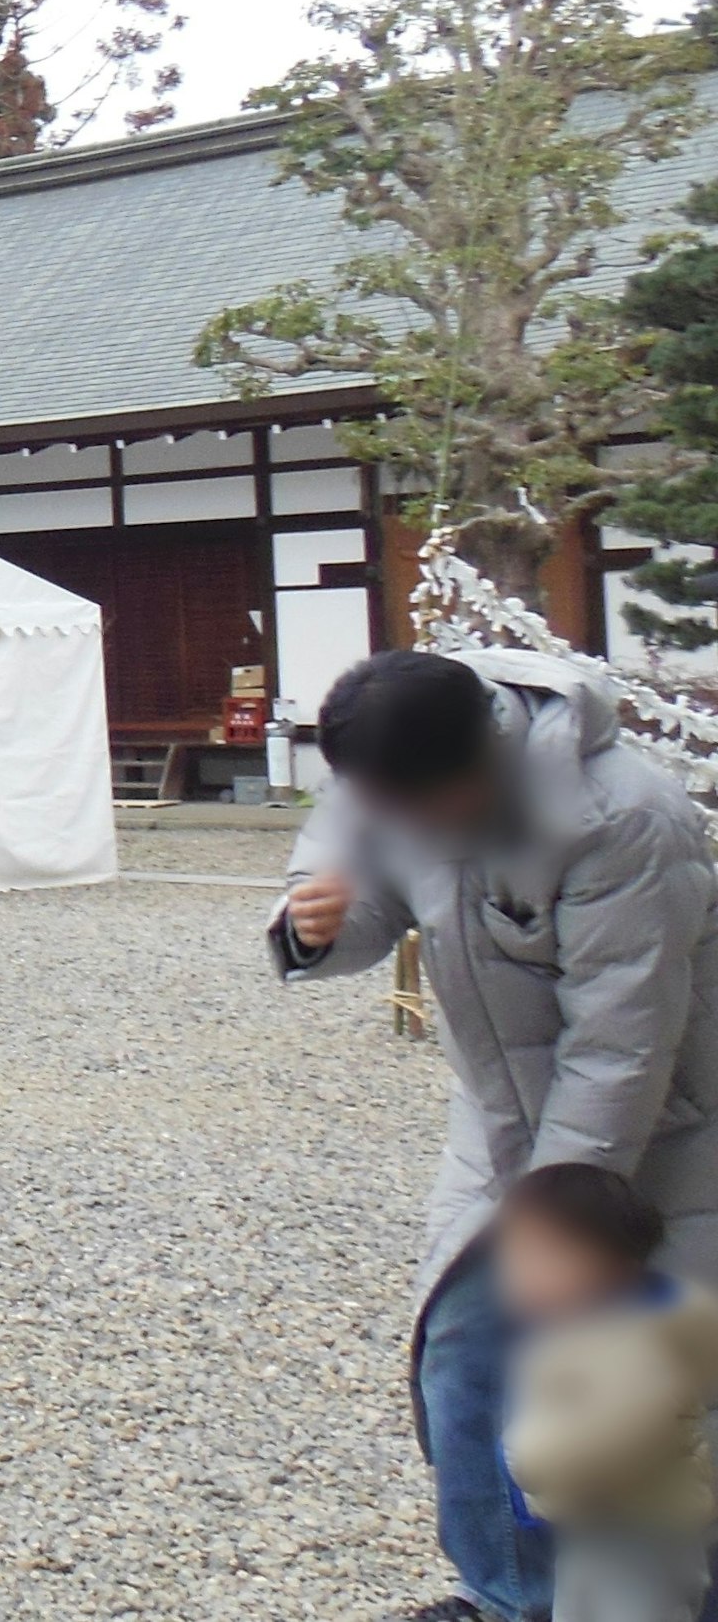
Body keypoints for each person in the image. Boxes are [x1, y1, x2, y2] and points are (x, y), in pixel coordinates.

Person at [270, 646, 718, 1622]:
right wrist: (317, 922)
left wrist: (567, 1227)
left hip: (673, 1139)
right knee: (468, 1354)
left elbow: (621, 1048)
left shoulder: (623, 818)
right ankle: (510, 1594)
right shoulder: (394, 773)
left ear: (485, 755)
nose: (406, 827)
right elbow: (356, 876)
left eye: (424, 807)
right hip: (506, 1127)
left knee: (637, 1399)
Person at [492, 1163, 718, 1622]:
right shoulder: (579, 1331)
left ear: (613, 1268)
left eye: (543, 1257)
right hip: (596, 1522)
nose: (519, 1274)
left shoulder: (644, 1345)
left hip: (644, 1531)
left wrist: (518, 1455)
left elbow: (602, 1441)